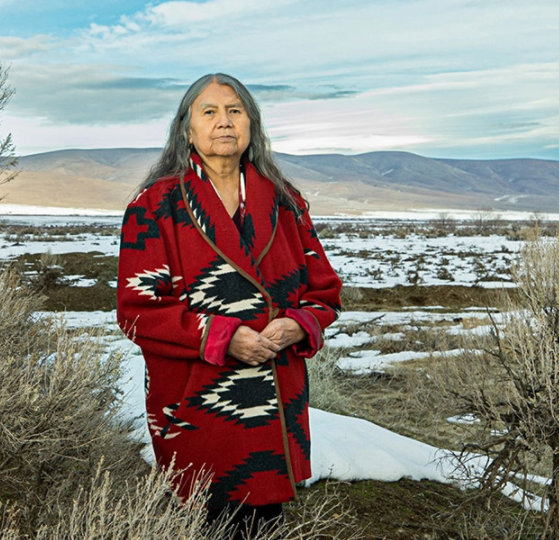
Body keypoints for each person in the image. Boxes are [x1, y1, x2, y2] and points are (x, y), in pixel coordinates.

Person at [116, 73, 342, 538]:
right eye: (210, 111)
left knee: (265, 525)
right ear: (187, 129)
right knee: (205, 521)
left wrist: (298, 325)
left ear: (252, 126)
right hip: (195, 406)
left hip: (274, 404)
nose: (224, 122)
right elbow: (137, 311)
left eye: (235, 111)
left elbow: (324, 293)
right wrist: (222, 336)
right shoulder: (155, 205)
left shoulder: (285, 202)